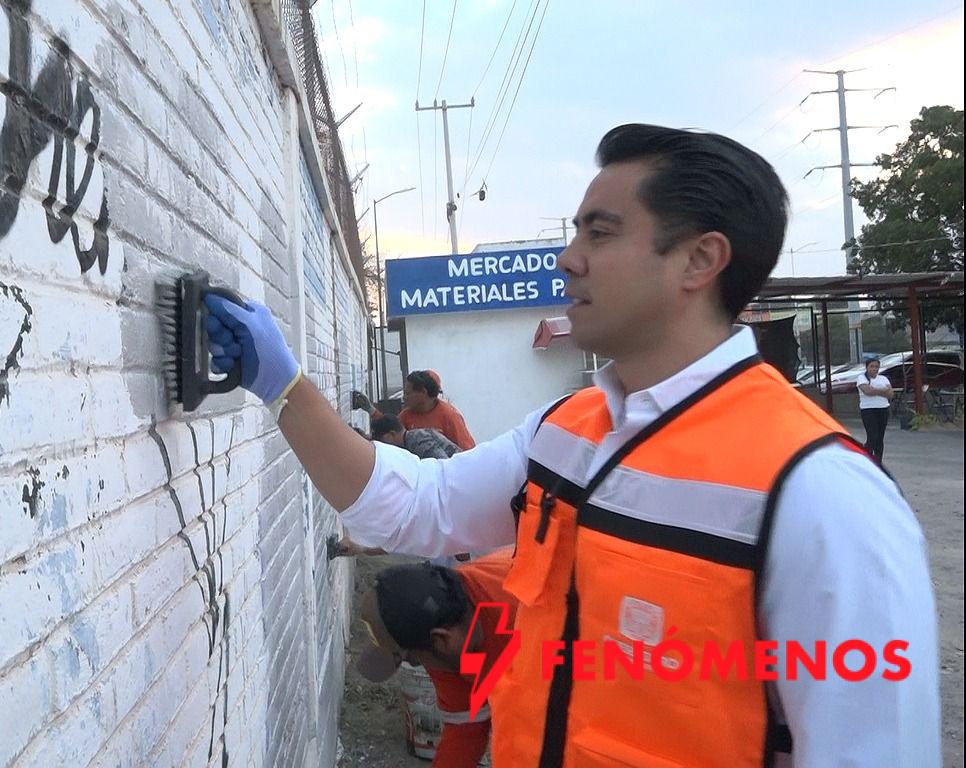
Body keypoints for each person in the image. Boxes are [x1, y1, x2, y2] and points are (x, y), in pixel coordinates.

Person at [203, 123, 939, 766]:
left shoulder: (818, 493)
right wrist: (285, 387)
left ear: (698, 260)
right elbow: (414, 509)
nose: (567, 258)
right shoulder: (567, 431)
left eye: (600, 231)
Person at [355, 549, 518, 768]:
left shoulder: (527, 617)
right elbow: (465, 732)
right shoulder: (444, 638)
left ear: (441, 640)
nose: (418, 665)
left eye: (412, 659)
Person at [399, 370, 477, 450]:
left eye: (407, 393)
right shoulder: (404, 417)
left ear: (423, 392)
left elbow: (468, 452)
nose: (404, 397)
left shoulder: (450, 416)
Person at [372, 414, 461, 460]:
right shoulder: (412, 438)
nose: (382, 445)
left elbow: (442, 465)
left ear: (392, 434)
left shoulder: (418, 442)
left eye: (382, 440)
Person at [856, 356, 893, 463]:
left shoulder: (883, 379)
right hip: (868, 410)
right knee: (873, 435)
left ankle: (878, 460)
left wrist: (876, 390)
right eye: (872, 366)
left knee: (880, 437)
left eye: (876, 367)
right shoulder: (862, 378)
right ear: (867, 367)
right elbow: (867, 391)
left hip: (883, 409)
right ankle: (866, 456)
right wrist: (883, 391)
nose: (874, 369)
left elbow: (890, 394)